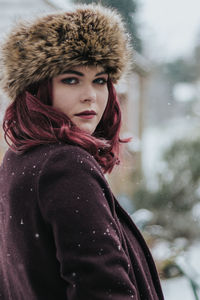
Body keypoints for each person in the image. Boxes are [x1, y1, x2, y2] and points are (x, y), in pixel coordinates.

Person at [0, 4, 164, 300]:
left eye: (100, 80)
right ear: (38, 88)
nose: (90, 94)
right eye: (71, 79)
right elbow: (102, 287)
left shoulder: (18, 158)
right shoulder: (65, 164)